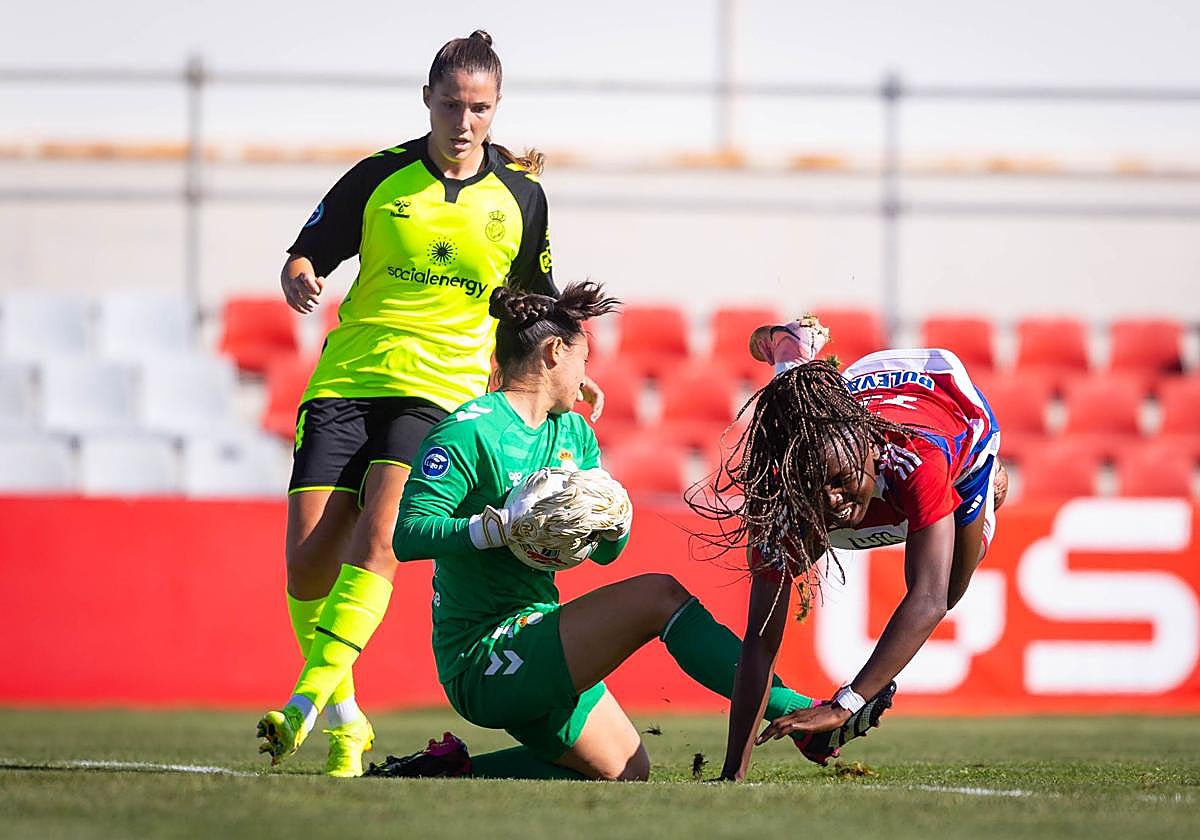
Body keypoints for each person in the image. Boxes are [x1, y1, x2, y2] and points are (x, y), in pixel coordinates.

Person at [259, 30, 602, 777]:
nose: (465, 121)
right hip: (348, 378)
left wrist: (567, 367)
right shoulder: (380, 177)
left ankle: (302, 705)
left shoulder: (520, 196)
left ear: (497, 107)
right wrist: (299, 272)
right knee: (308, 571)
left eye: (480, 107)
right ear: (427, 100)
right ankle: (348, 720)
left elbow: (534, 302)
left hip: (439, 389)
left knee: (381, 537)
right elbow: (309, 246)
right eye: (452, 104)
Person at [355, 283, 862, 782]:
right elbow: (409, 534)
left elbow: (606, 556)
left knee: (625, 770)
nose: (586, 375)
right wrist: (499, 528)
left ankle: (444, 773)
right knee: (658, 596)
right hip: (483, 654)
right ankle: (801, 714)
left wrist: (613, 520)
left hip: (538, 630)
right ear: (554, 353)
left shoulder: (573, 432)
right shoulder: (468, 431)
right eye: (583, 360)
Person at [698, 319, 1007, 781]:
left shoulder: (919, 460)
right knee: (797, 448)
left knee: (951, 587)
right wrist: (732, 774)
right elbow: (760, 640)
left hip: (951, 415)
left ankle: (792, 356)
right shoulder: (786, 493)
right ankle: (791, 359)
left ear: (868, 453)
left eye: (843, 484)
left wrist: (846, 705)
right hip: (855, 400)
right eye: (817, 489)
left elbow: (929, 598)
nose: (835, 505)